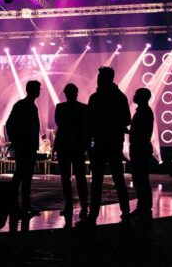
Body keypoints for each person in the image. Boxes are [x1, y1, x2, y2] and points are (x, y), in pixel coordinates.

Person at [86, 66, 131, 225]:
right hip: (114, 142)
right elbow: (127, 119)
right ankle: (126, 212)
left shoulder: (95, 98)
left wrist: (89, 141)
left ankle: (93, 215)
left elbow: (89, 122)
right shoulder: (120, 97)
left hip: (100, 142)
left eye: (100, 77)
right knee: (118, 178)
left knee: (97, 181)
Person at [6, 80, 42, 217]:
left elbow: (10, 124)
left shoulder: (27, 105)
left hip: (28, 146)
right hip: (25, 146)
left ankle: (23, 205)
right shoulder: (23, 105)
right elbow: (10, 124)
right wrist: (16, 141)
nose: (39, 91)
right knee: (21, 175)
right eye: (38, 89)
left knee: (25, 176)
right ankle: (16, 205)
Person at [54, 83, 89, 221]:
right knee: (80, 177)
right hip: (78, 145)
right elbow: (85, 127)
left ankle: (69, 205)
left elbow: (60, 124)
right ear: (76, 93)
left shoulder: (60, 107)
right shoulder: (83, 108)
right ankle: (84, 205)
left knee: (66, 177)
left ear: (65, 94)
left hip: (64, 145)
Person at [129, 87, 154, 221]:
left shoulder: (144, 112)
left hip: (140, 148)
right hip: (141, 148)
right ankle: (143, 207)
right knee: (141, 179)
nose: (134, 96)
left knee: (141, 179)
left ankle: (143, 208)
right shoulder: (144, 111)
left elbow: (140, 132)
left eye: (136, 94)